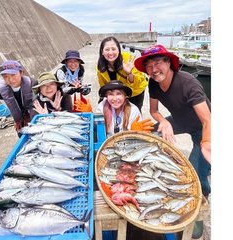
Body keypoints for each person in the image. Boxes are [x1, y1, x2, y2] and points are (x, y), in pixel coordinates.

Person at [134, 44, 211, 239]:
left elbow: (207, 120)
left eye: (158, 63)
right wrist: (164, 123)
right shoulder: (153, 82)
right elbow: (153, 111)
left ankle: (199, 209)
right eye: (149, 66)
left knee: (196, 172)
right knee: (151, 132)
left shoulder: (187, 83)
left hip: (203, 128)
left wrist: (207, 141)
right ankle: (155, 172)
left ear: (169, 62)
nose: (154, 69)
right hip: (178, 120)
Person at [74, 80, 154, 137]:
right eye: (111, 94)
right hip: (106, 144)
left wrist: (135, 132)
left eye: (118, 94)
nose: (115, 98)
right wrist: (90, 115)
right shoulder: (102, 107)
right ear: (106, 96)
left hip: (126, 143)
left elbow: (137, 138)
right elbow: (95, 129)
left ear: (125, 96)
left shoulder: (133, 110)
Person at [96, 36, 147, 112]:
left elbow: (137, 82)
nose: (110, 53)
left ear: (119, 50)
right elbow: (103, 86)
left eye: (113, 49)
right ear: (102, 51)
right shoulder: (100, 66)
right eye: (107, 49)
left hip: (135, 92)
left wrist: (129, 73)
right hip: (118, 94)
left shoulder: (127, 58)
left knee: (134, 113)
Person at [0, 60, 38, 136]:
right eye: (5, 77)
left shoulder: (33, 83)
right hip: (17, 114)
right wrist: (17, 119)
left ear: (21, 73)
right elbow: (9, 106)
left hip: (31, 110)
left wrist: (29, 116)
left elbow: (35, 103)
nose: (10, 80)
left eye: (13, 75)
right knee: (21, 132)